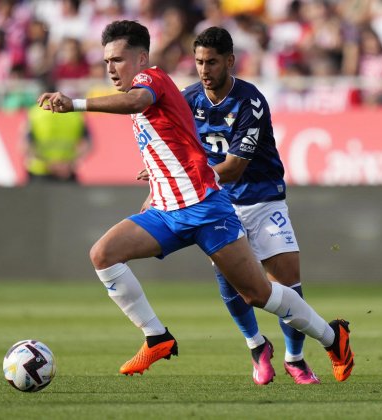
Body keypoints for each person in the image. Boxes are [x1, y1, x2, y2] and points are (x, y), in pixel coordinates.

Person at [37, 20, 353, 382]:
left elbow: (137, 102)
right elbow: (177, 143)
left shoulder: (150, 81)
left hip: (207, 209)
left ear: (142, 59)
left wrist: (75, 103)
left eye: (118, 60)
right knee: (103, 254)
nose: (110, 68)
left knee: (257, 293)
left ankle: (332, 338)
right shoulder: (177, 95)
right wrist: (156, 184)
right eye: (107, 61)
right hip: (167, 211)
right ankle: (156, 337)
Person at [184, 26, 321, 385]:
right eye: (198, 62)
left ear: (229, 61)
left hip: (261, 196)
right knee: (232, 281)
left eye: (211, 62)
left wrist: (184, 179)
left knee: (287, 281)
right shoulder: (187, 101)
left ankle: (295, 358)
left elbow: (233, 168)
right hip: (217, 203)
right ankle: (256, 346)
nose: (204, 70)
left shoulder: (251, 101)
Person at [24, 99, 91, 182]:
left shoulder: (34, 112)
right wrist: (71, 162)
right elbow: (88, 143)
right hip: (66, 170)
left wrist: (49, 164)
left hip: (40, 170)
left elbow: (25, 145)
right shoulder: (76, 113)